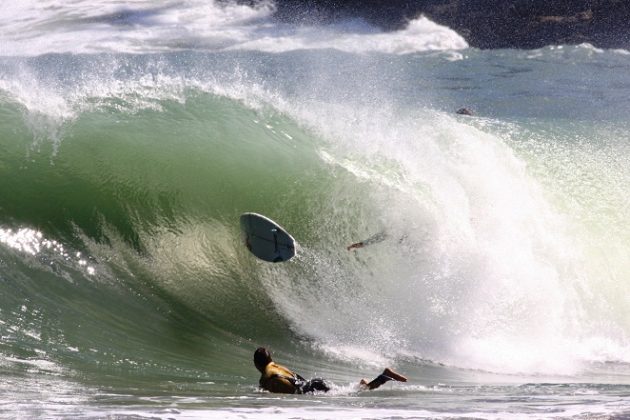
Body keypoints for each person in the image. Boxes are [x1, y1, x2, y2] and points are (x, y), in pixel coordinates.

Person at [253, 347, 407, 394]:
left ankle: (384, 375)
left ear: (256, 364)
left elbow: (286, 390)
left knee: (351, 394)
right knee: (350, 391)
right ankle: (364, 383)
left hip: (312, 387)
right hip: (314, 383)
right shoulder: (278, 367)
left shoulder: (266, 376)